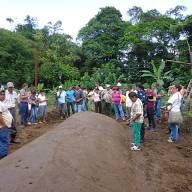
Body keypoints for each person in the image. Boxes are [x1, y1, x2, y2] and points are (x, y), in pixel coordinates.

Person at [0, 90, 13, 158]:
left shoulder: (2, 103)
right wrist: (4, 124)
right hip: (3, 126)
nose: (3, 96)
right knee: (4, 141)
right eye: (1, 94)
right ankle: (3, 156)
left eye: (3, 94)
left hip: (3, 126)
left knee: (2, 141)